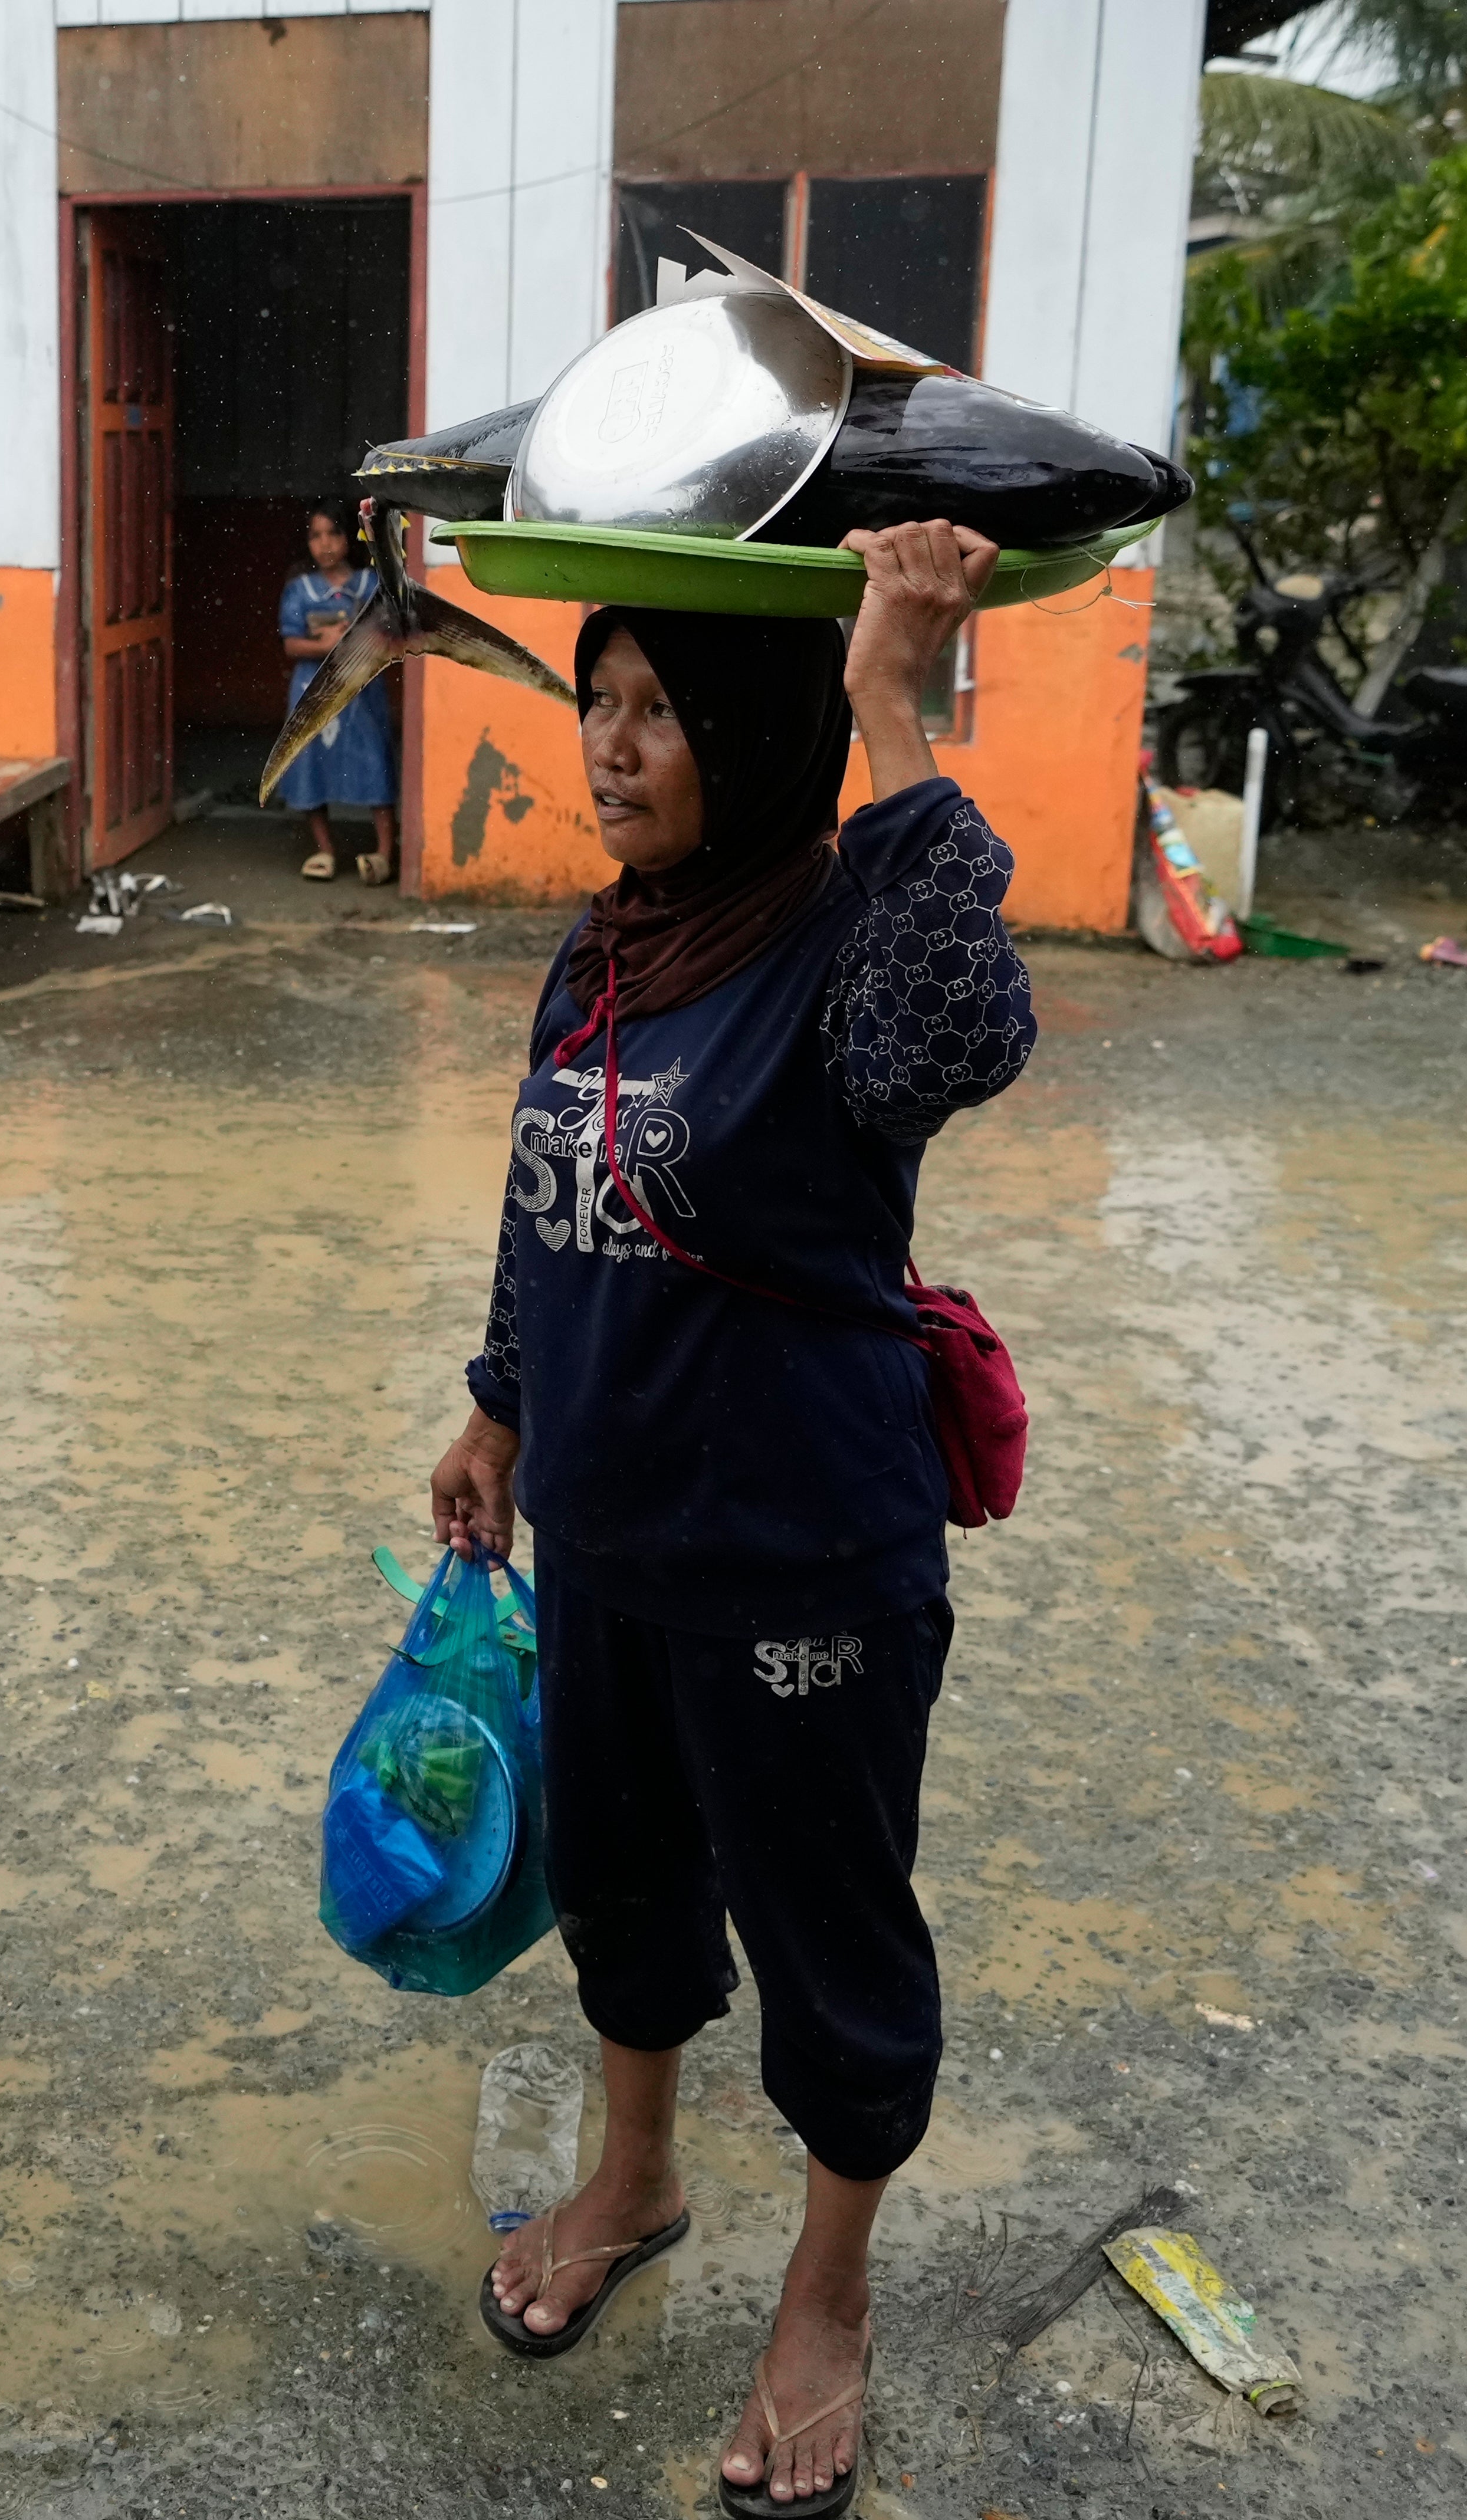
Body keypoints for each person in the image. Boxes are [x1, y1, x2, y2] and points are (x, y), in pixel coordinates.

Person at [424, 521, 1032, 2513]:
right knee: (618, 1886)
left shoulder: (833, 946)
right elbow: (549, 1195)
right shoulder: (604, 945)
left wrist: (886, 700)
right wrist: (497, 1410)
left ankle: (826, 2300)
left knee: (825, 1937)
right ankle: (638, 2171)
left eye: (658, 709)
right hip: (603, 1540)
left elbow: (965, 1037)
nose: (608, 748)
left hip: (800, 1562)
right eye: (591, 701)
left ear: (752, 732)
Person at [275, 499, 403, 885]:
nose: (325, 544)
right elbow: (291, 645)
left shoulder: (372, 583)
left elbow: (389, 634)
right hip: (311, 690)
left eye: (333, 533)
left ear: (351, 537)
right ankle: (324, 850)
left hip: (360, 692)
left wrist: (351, 641)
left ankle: (384, 854)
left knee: (373, 761)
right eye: (316, 536)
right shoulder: (298, 588)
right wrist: (327, 644)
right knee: (310, 762)